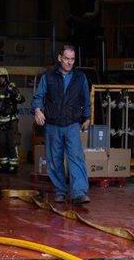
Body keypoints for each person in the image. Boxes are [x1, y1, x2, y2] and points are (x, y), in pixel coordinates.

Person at [32, 44, 91, 203]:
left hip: (72, 124)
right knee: (54, 159)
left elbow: (86, 98)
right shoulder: (48, 77)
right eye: (66, 58)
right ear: (59, 58)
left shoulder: (80, 77)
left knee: (76, 158)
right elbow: (38, 97)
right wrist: (37, 110)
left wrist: (87, 117)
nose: (69, 62)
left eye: (72, 59)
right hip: (52, 125)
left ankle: (79, 192)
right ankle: (60, 190)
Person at [0, 66, 25, 174]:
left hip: (11, 122)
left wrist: (15, 94)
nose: (1, 80)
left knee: (12, 143)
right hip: (0, 122)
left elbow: (21, 99)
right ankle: (4, 165)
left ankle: (14, 165)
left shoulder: (11, 89)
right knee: (2, 144)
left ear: (6, 78)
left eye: (2, 77)